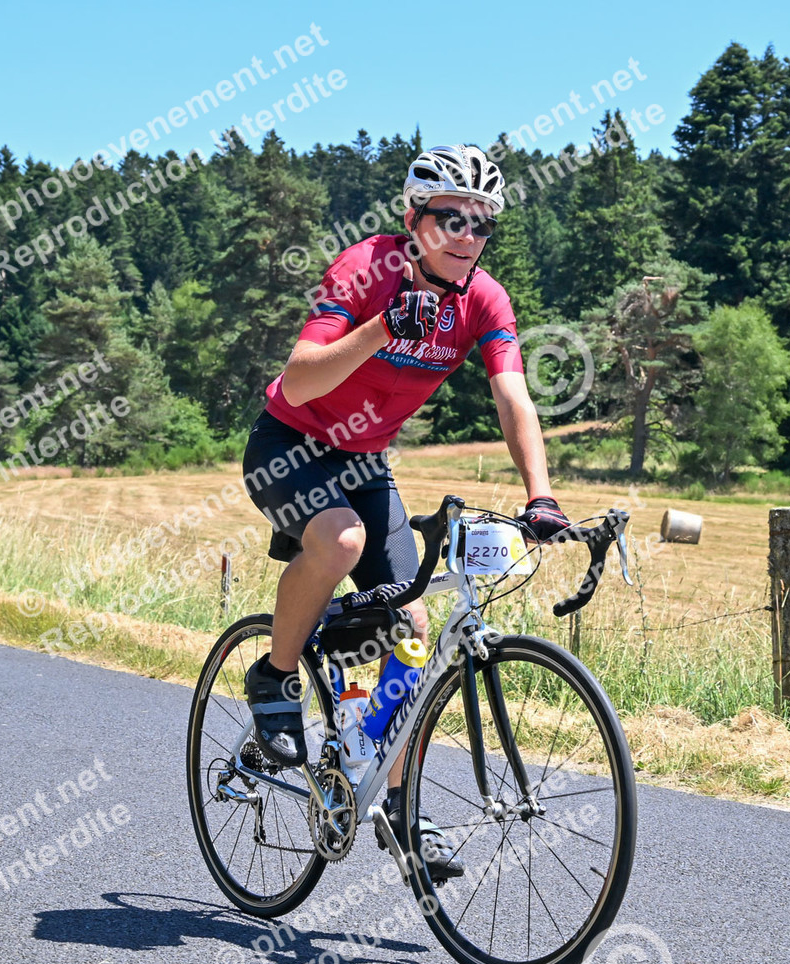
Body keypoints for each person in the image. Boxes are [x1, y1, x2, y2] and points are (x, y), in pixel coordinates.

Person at [239, 144, 571, 880]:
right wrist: (383, 328)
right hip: (289, 446)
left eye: (482, 224)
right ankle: (275, 676)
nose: (467, 235)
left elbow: (512, 395)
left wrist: (540, 495)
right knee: (341, 541)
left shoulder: (483, 299)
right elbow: (298, 381)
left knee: (413, 627)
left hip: (365, 463)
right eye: (452, 218)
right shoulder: (366, 268)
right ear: (414, 217)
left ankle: (398, 801)